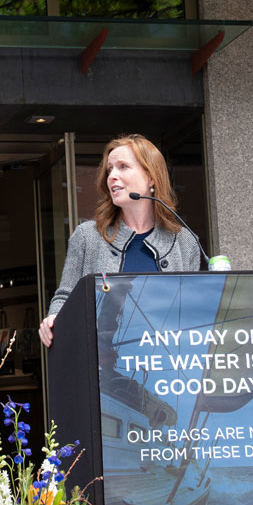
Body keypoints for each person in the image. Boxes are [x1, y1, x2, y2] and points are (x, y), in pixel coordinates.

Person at [39, 134, 200, 347]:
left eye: (123, 166)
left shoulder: (184, 240)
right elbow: (65, 297)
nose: (112, 175)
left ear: (151, 177)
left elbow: (193, 312)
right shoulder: (87, 236)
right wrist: (53, 319)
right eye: (109, 170)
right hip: (105, 365)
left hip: (166, 367)